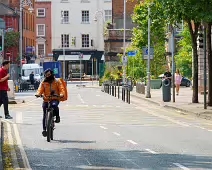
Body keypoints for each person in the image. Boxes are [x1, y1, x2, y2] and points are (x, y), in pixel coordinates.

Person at [35, 68, 65, 137]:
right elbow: (40, 89)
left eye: (49, 74)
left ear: (51, 74)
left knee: (54, 105)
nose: (47, 76)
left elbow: (61, 88)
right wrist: (38, 94)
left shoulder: (57, 81)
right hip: (46, 99)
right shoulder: (43, 82)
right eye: (46, 75)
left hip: (55, 98)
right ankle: (44, 130)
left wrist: (61, 94)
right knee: (44, 114)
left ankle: (57, 117)